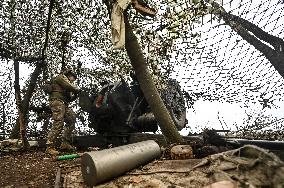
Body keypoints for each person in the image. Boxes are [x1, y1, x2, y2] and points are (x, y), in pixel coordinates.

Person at [46, 69, 80, 155]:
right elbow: (69, 86)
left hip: (63, 103)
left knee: (71, 119)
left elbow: (69, 99)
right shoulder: (60, 78)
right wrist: (77, 89)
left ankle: (65, 143)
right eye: (73, 78)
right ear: (69, 75)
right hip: (57, 101)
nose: (73, 80)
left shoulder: (66, 86)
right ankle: (49, 146)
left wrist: (76, 95)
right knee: (58, 122)